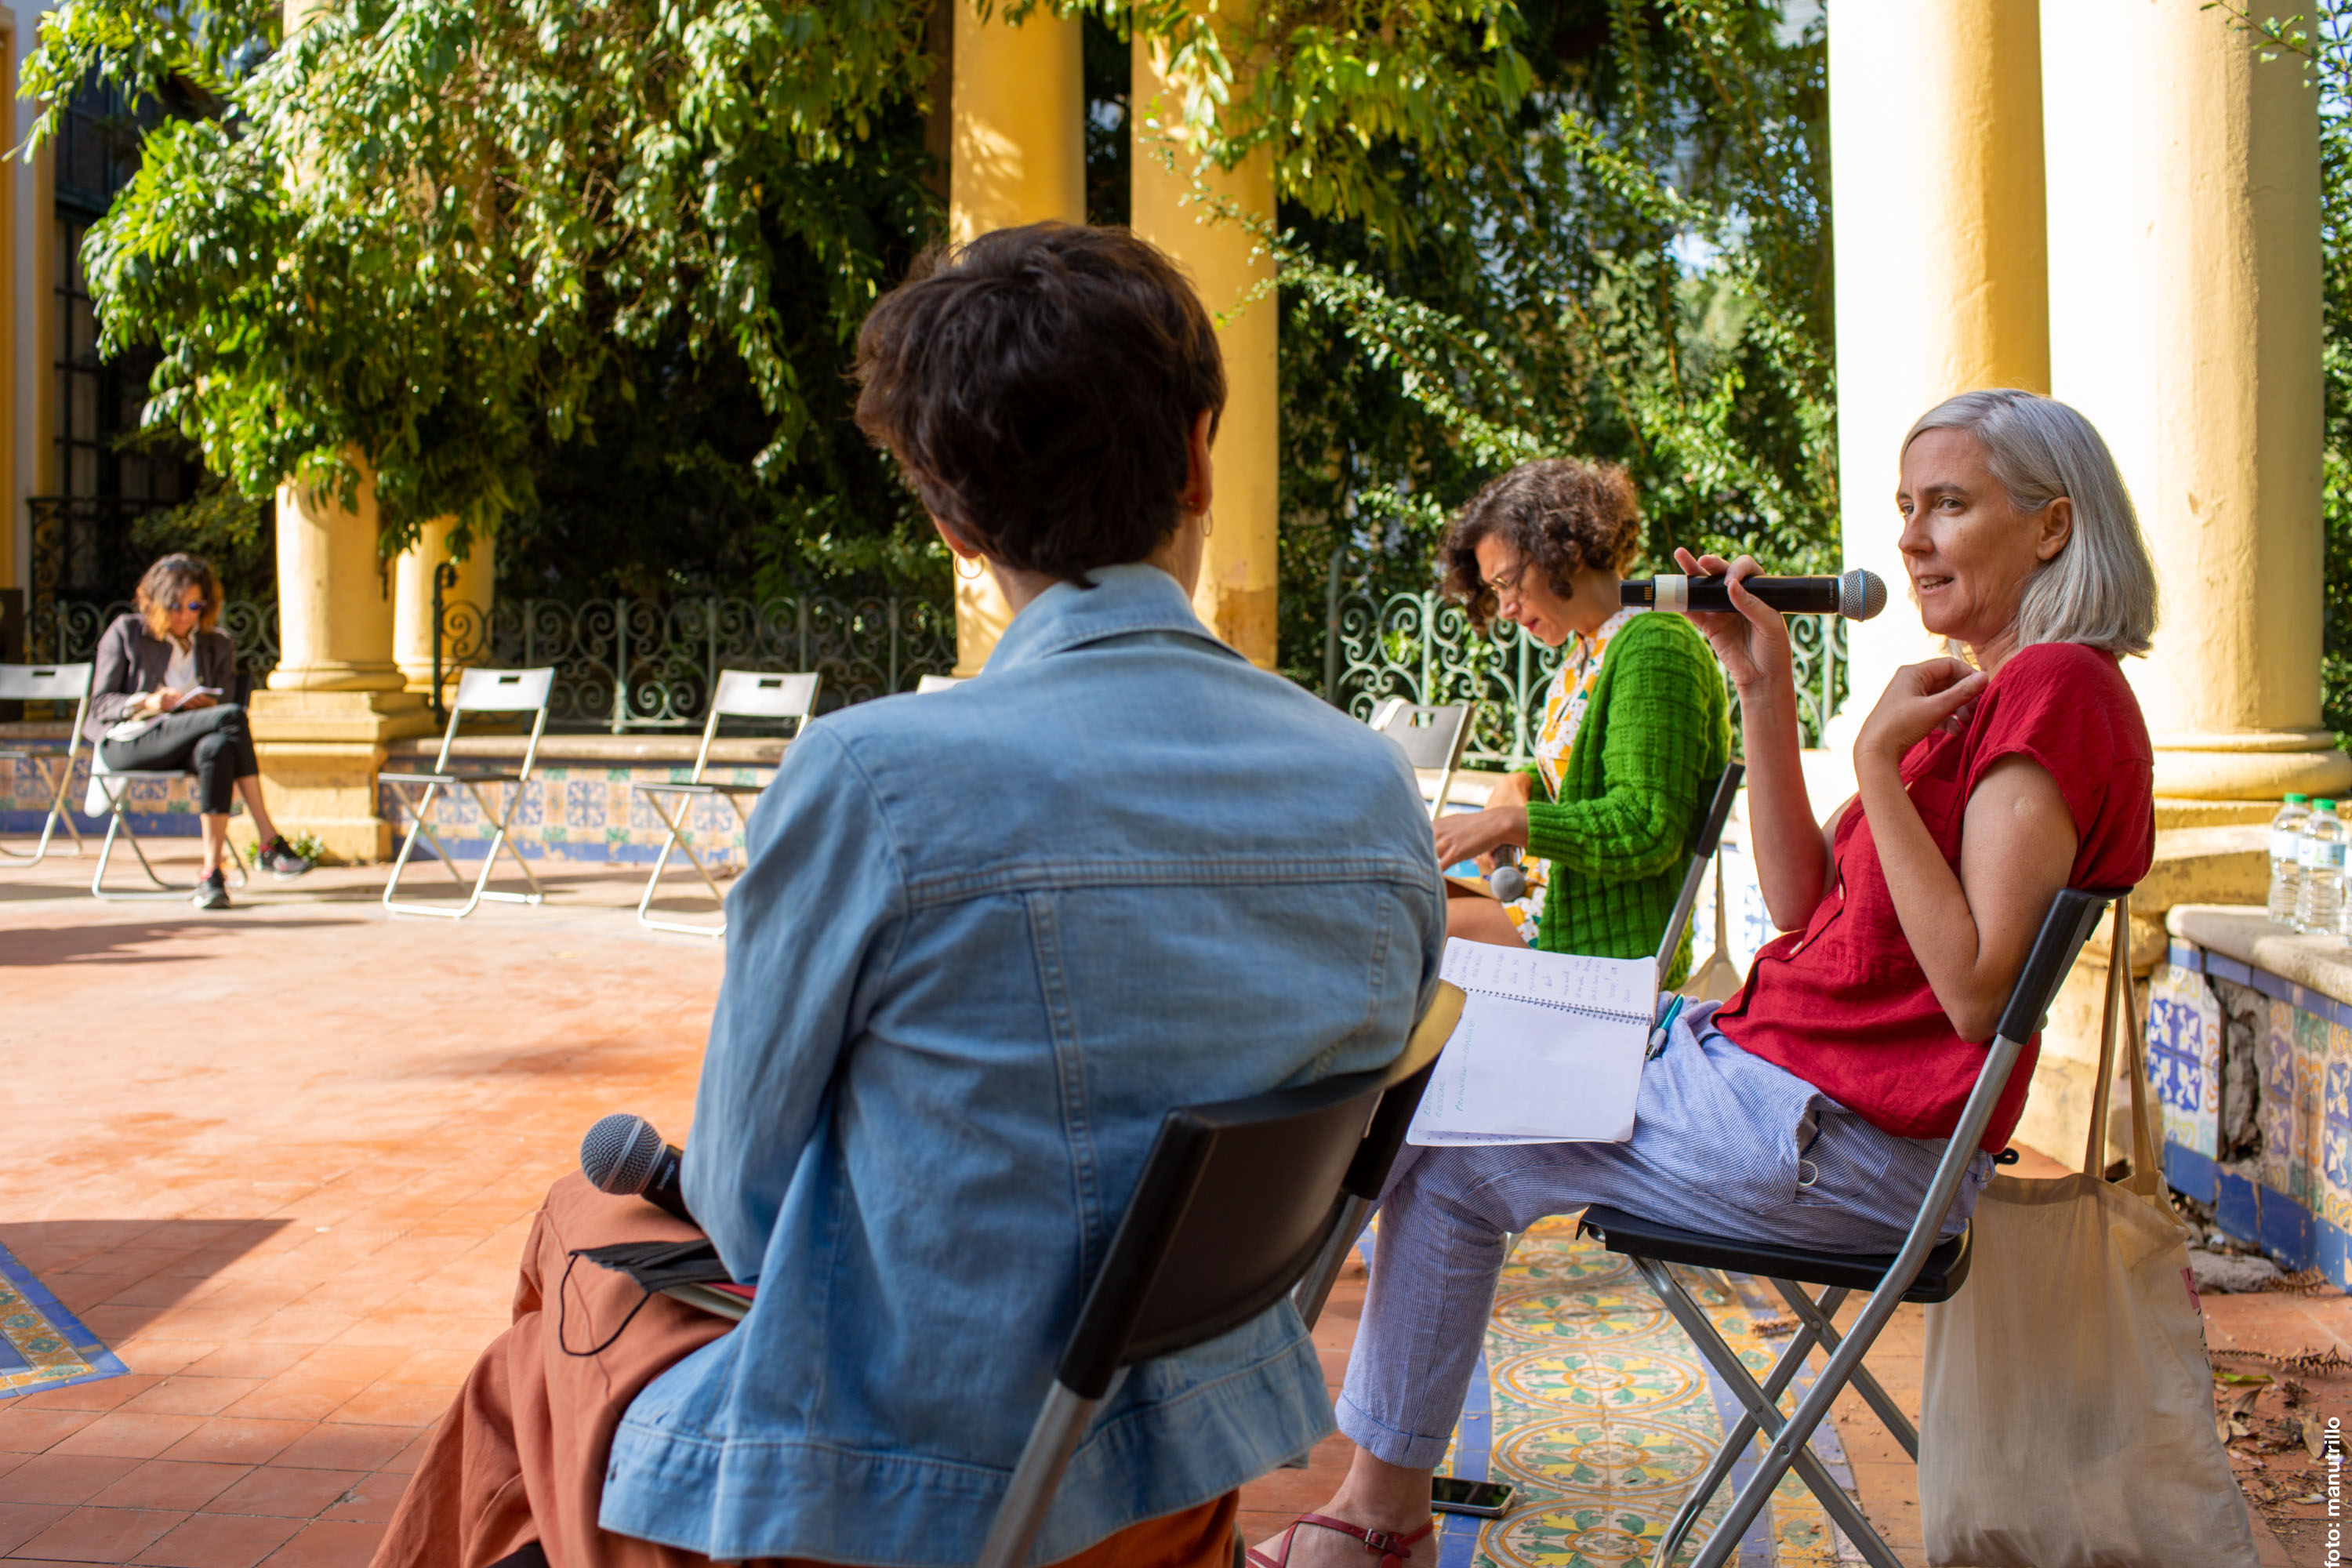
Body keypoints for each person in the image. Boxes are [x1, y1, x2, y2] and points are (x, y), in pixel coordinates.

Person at [371, 223, 1448, 1568]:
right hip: (1170, 1499)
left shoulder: (874, 779)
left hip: (890, 1512)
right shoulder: (1368, 788)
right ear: (1196, 459)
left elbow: (747, 1213)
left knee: (539, 1329)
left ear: (950, 519)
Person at [1253, 387, 2160, 1567]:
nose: (1909, 538)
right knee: (1444, 1056)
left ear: (2052, 525)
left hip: (1843, 1137)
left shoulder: (2058, 690)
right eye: (1904, 507)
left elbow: (1976, 989)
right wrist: (1762, 682)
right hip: (1778, 1078)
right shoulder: (1980, 688)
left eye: (1948, 505)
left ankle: (1360, 1509)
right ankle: (1368, 1504)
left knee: (1447, 1121)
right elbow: (1801, 904)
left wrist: (1876, 761)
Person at [1426, 459, 1729, 979]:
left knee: (1401, 931)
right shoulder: (1587, 650)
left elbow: (1645, 826)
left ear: (1561, 551)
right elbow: (1584, 779)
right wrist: (1519, 784)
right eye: (1495, 591)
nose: (1505, 608)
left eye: (1508, 583)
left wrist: (1507, 823)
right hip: (1551, 907)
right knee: (1399, 903)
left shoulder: (1656, 645)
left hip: (1601, 943)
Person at [86, 554, 314, 908]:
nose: (184, 615)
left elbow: (224, 712)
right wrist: (148, 702)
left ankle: (211, 875)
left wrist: (203, 709)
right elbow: (99, 705)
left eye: (194, 606)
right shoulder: (127, 632)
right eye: (175, 606)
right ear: (155, 601)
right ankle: (269, 840)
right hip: (131, 741)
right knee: (231, 718)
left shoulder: (217, 644)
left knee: (218, 748)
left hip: (190, 741)